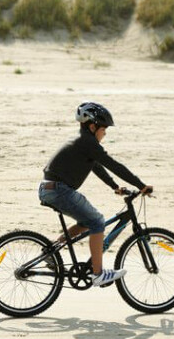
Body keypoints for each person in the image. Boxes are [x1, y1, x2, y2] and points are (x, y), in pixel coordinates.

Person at [40, 101, 153, 288]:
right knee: (97, 221)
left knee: (86, 222)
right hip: (59, 190)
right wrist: (141, 185)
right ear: (93, 126)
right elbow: (113, 165)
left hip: (50, 188)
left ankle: (51, 251)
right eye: (104, 129)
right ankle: (98, 274)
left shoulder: (83, 142)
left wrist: (115, 187)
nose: (105, 133)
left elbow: (97, 167)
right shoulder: (87, 142)